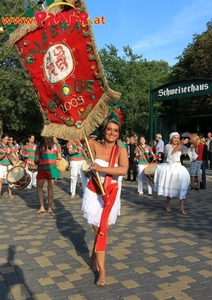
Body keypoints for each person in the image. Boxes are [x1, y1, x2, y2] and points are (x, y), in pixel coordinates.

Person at [81, 113, 128, 286]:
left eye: (115, 130)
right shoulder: (94, 145)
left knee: (102, 230)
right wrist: (89, 116)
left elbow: (123, 170)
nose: (112, 133)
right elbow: (80, 134)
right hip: (94, 193)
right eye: (109, 129)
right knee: (99, 231)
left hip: (111, 194)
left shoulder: (121, 150)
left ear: (119, 134)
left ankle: (94, 258)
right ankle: (102, 271)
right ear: (104, 130)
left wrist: (101, 167)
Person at [154, 132, 190, 215]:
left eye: (177, 138)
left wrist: (193, 144)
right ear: (171, 138)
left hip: (179, 166)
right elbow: (172, 153)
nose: (176, 139)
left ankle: (182, 208)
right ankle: (167, 205)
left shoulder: (181, 146)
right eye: (174, 137)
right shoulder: (168, 146)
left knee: (182, 186)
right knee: (170, 185)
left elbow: (188, 151)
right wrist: (180, 144)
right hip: (171, 166)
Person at [34, 136, 62, 213]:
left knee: (39, 188)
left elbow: (36, 160)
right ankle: (49, 207)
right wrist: (52, 159)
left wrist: (38, 161)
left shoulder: (39, 145)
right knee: (50, 188)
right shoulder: (56, 145)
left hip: (42, 168)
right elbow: (59, 157)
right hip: (52, 169)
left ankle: (42, 207)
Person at [0, 133, 16, 198]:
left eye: (8, 139)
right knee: (0, 180)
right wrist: (3, 154)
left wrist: (16, 159)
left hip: (9, 165)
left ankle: (10, 193)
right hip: (1, 165)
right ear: (2, 139)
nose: (7, 140)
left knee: (10, 180)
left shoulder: (9, 147)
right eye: (5, 139)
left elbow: (12, 154)